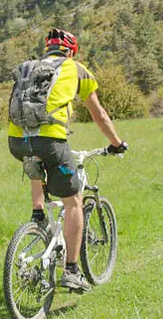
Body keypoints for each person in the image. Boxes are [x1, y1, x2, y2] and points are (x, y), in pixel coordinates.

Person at [8, 28, 128, 293]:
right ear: (72, 51)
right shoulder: (76, 69)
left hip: (16, 141)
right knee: (73, 203)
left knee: (35, 160)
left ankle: (38, 214)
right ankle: (72, 270)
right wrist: (116, 143)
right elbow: (98, 113)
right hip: (51, 141)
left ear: (47, 49)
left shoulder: (31, 68)